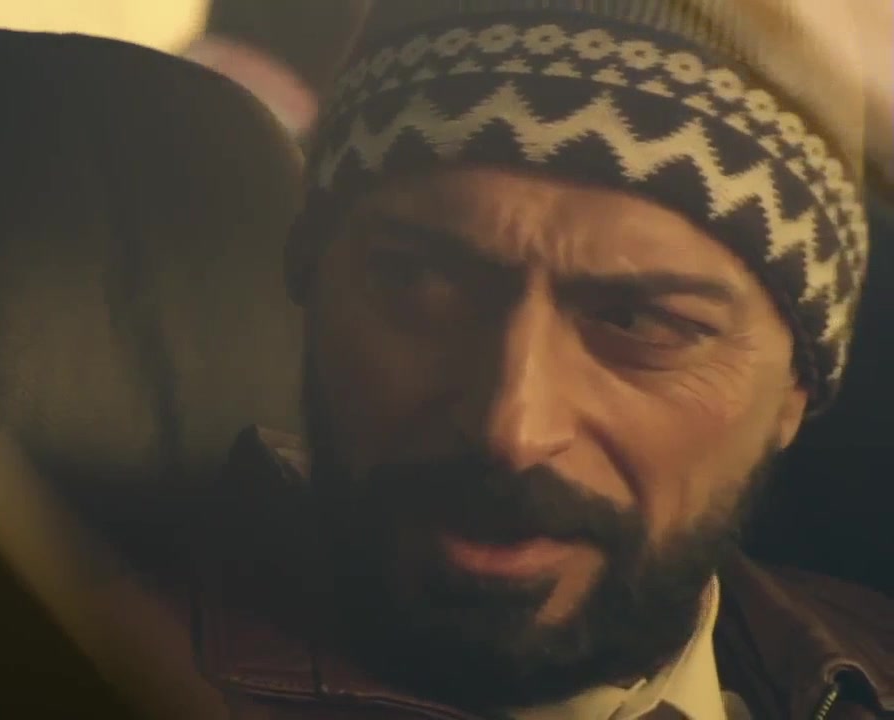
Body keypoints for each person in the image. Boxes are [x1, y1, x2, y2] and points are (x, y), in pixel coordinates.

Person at [111, 2, 894, 718]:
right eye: (420, 285)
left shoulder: (865, 664)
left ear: (796, 388)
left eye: (638, 323)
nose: (510, 430)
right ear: (311, 280)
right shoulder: (81, 644)